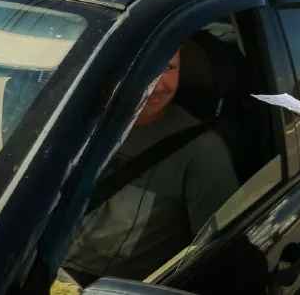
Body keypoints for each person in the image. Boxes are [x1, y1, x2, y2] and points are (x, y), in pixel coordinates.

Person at [64, 48, 239, 283]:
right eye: (144, 66)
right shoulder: (72, 124)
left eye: (169, 68)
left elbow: (217, 254)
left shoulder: (200, 150)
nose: (157, 85)